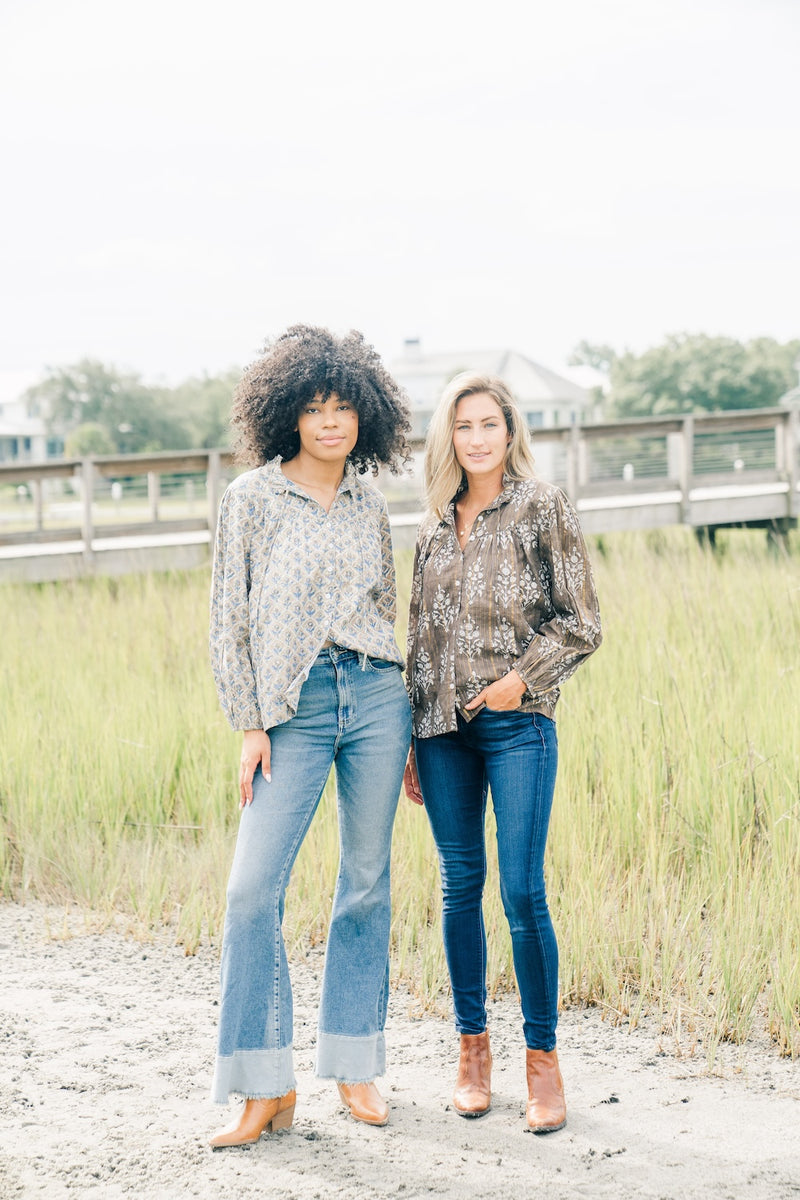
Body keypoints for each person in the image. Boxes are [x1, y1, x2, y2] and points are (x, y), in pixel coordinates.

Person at [208, 324, 412, 1148]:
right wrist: (249, 721)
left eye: (344, 408)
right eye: (316, 408)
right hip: (290, 711)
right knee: (251, 891)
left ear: (365, 415)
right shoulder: (252, 498)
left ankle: (355, 1066)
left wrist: (408, 724)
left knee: (365, 883)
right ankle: (262, 1087)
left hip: (375, 696)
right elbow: (230, 616)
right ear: (290, 413)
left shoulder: (370, 504)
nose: (331, 422)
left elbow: (390, 612)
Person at [403, 372, 601, 1133]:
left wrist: (523, 681)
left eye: (489, 424)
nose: (477, 438)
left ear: (510, 430)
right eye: (463, 427)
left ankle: (543, 1066)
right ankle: (471, 1051)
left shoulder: (541, 506)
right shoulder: (429, 526)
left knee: (521, 893)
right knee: (460, 886)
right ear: (447, 438)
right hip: (442, 735)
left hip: (519, 726)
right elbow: (419, 641)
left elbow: (581, 621)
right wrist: (417, 740)